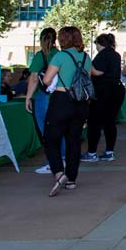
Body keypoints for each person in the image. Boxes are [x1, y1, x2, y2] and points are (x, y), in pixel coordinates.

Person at [41, 26, 97, 196]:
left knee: (51, 138)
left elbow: (46, 79)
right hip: (80, 104)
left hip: (61, 100)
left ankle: (59, 173)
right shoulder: (86, 57)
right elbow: (87, 77)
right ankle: (71, 179)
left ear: (63, 39)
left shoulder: (60, 56)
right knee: (74, 140)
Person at [25, 27, 63, 175]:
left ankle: (51, 163)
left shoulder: (40, 56)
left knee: (46, 131)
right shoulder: (60, 55)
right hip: (60, 95)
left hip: (44, 96)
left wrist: (28, 97)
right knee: (60, 129)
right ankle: (63, 158)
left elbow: (34, 78)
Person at [85, 33, 125, 162]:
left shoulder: (102, 55)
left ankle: (91, 153)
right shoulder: (115, 54)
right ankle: (109, 152)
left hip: (104, 90)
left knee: (94, 121)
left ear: (99, 43)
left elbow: (98, 72)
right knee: (110, 121)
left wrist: (88, 65)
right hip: (117, 89)